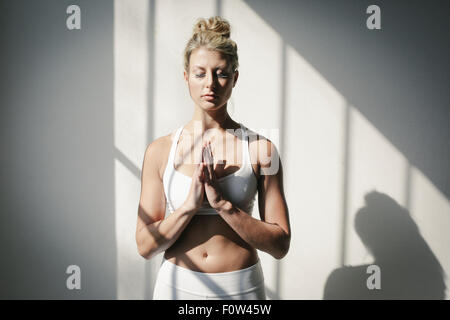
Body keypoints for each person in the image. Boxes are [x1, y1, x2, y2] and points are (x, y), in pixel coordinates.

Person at [135, 16, 291, 300]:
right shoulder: (158, 151)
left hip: (242, 288)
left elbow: (280, 245)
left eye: (221, 73)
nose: (211, 84)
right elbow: (145, 246)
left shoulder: (262, 150)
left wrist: (223, 205)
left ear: (235, 78)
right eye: (200, 73)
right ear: (186, 77)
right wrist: (188, 207)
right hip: (175, 287)